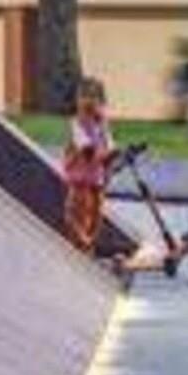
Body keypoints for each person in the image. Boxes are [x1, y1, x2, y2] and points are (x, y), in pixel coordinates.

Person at [61, 77, 117, 253]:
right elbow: (87, 151)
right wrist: (106, 155)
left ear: (101, 103)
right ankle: (80, 241)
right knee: (76, 211)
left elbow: (109, 145)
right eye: (84, 96)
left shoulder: (102, 125)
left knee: (96, 212)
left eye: (93, 97)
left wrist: (110, 162)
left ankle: (90, 243)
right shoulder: (76, 123)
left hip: (96, 176)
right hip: (79, 176)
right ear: (77, 101)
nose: (88, 102)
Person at [166, 39, 188, 124]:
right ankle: (178, 119)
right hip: (182, 83)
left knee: (184, 103)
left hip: (185, 84)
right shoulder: (185, 62)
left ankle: (180, 119)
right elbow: (174, 73)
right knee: (181, 103)